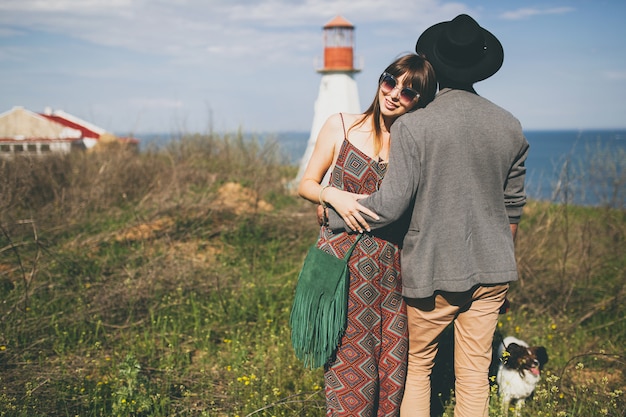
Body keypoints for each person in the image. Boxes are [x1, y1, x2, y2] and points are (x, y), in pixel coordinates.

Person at [324, 14, 530, 417]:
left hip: (433, 271)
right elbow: (512, 210)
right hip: (494, 270)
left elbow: (391, 204)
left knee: (418, 367)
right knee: (474, 372)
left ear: (435, 62)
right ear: (480, 66)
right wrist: (500, 263)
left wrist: (334, 207)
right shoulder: (510, 126)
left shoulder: (414, 126)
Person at [297, 53, 437, 416]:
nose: (393, 94)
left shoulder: (412, 147)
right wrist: (333, 196)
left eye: (408, 92)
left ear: (419, 101)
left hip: (392, 277)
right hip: (342, 272)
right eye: (391, 81)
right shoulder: (340, 125)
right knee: (347, 375)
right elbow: (307, 184)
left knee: (392, 376)